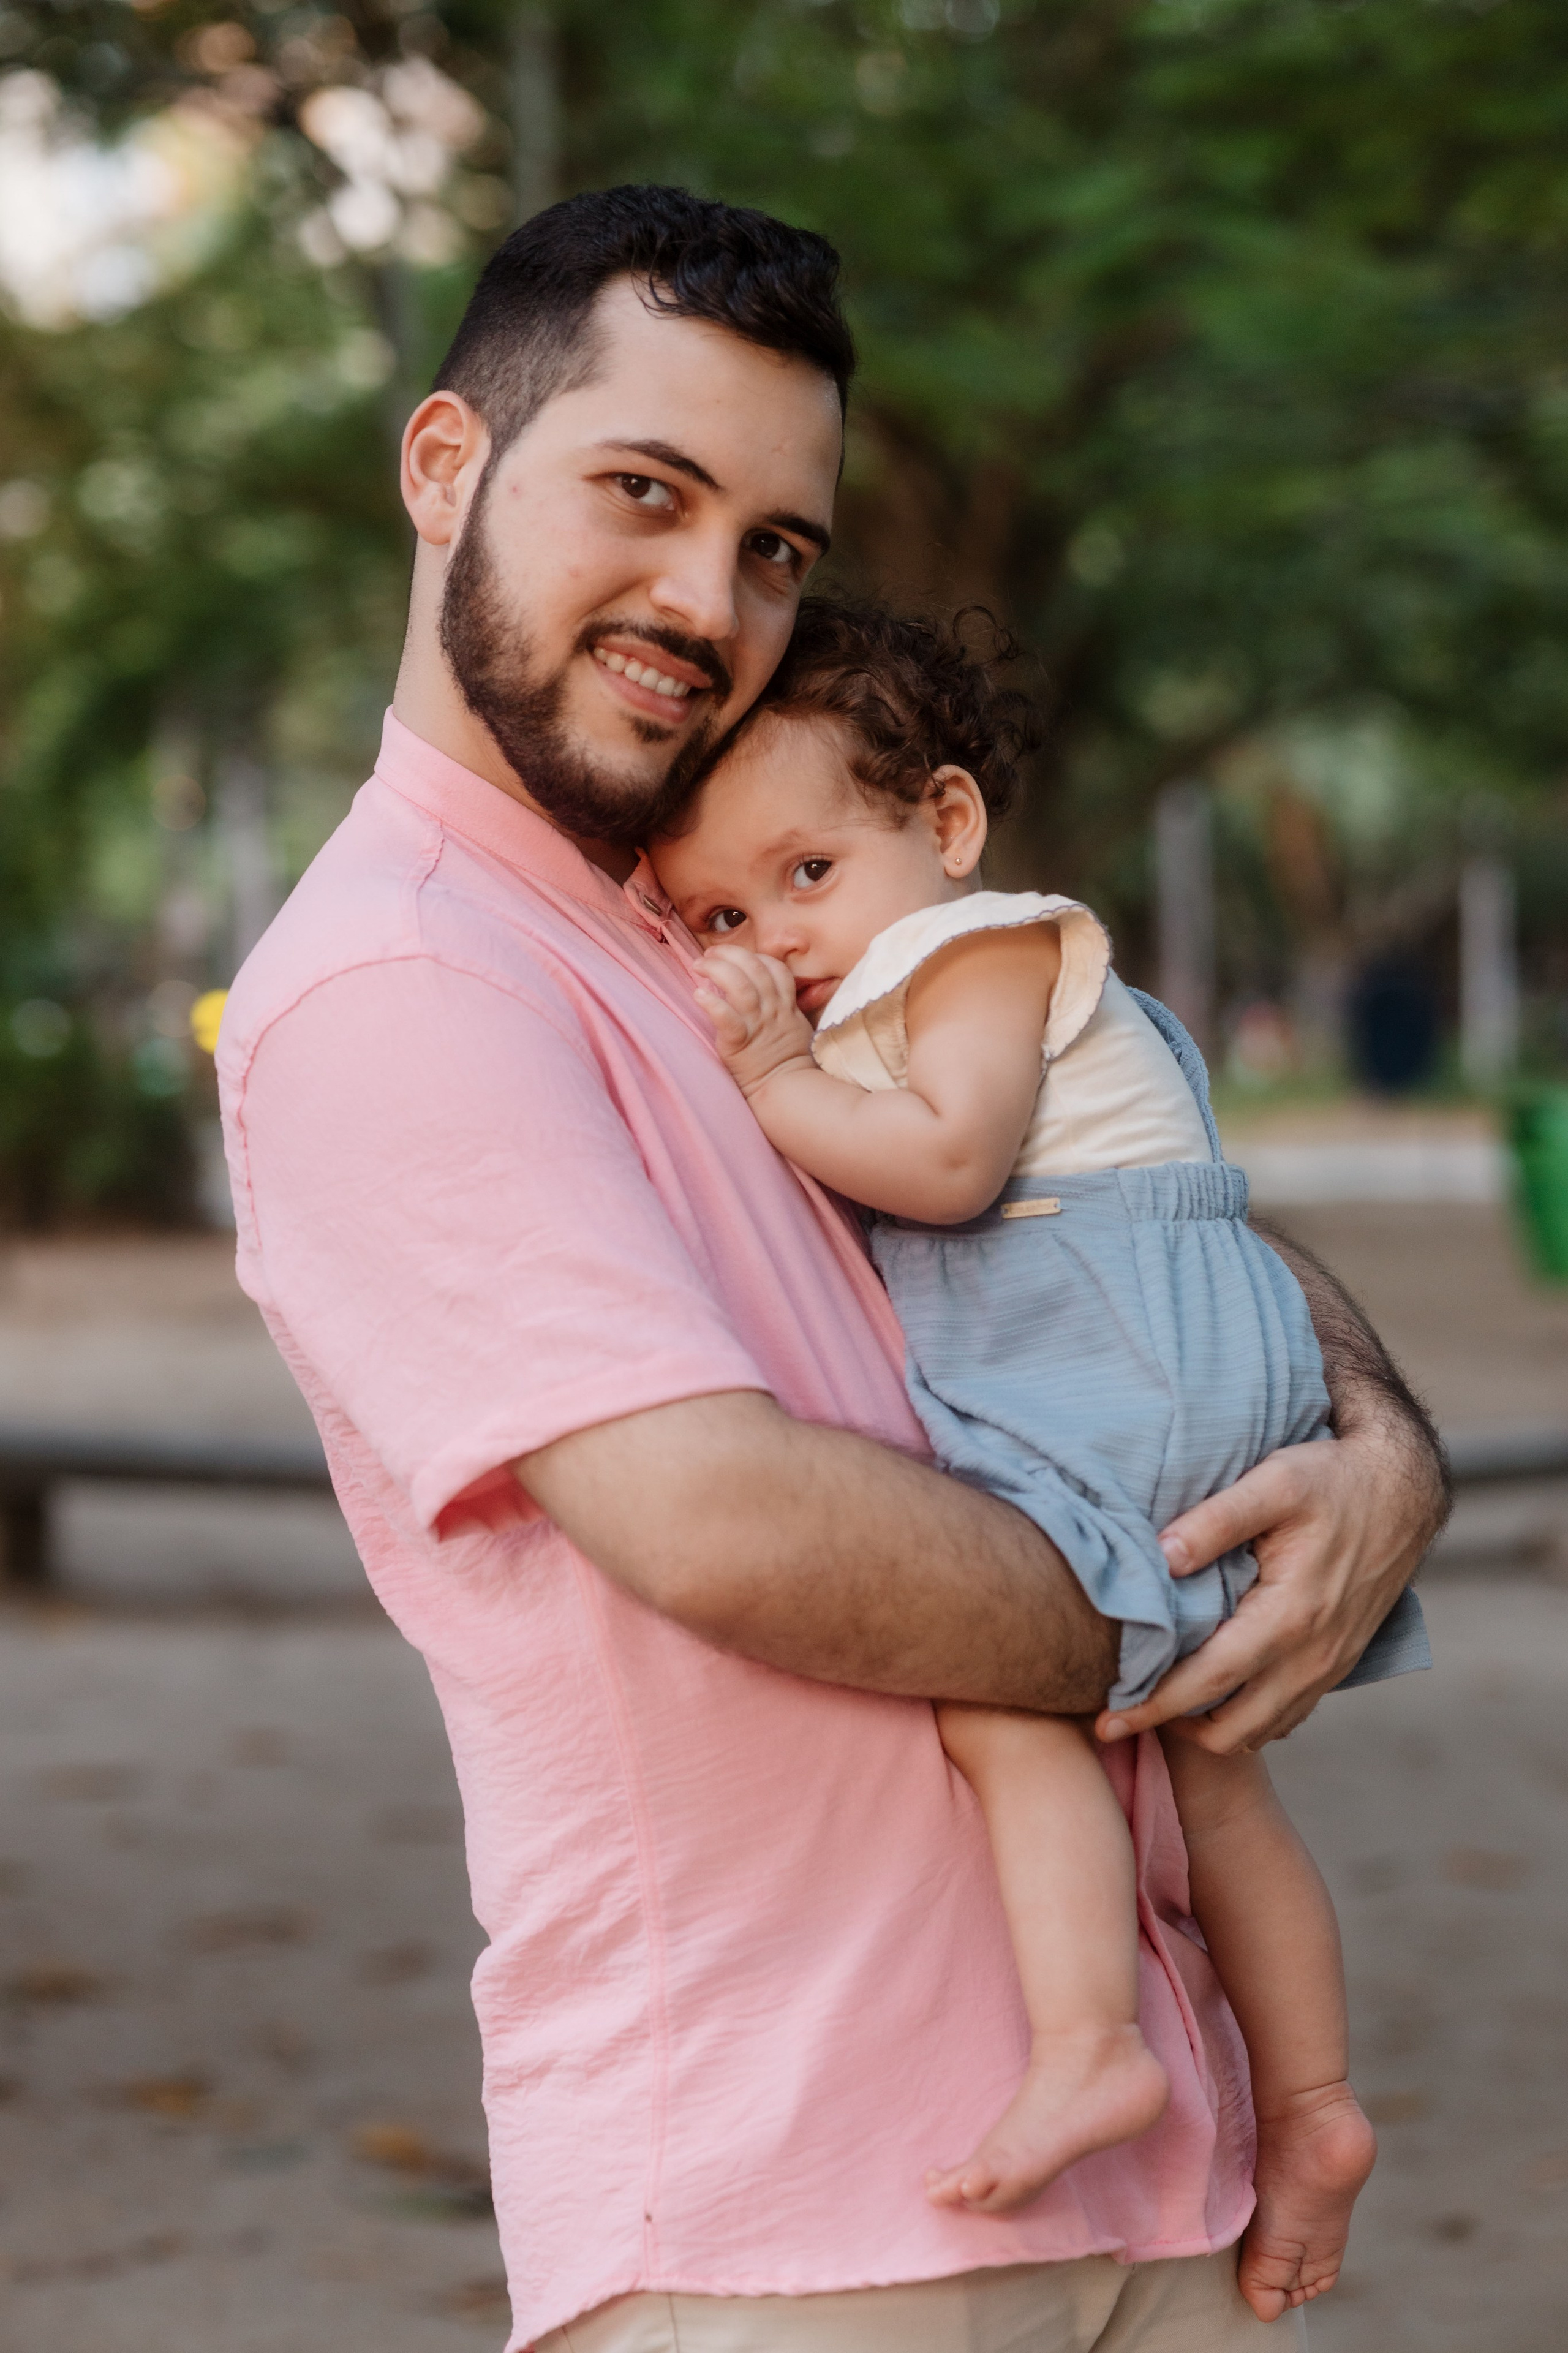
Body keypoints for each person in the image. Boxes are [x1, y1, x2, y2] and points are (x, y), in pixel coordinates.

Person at [216, 187, 1447, 2353]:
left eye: (775, 543)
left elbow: (1131, 1196)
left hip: (1158, 2155)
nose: (709, 598)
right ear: (441, 468)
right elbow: (722, 1521)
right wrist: (1193, 1594)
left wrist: (1374, 1446)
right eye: (644, 491)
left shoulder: (753, 903)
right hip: (795, 2218)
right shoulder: (403, 979)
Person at [649, 597, 1432, 2319]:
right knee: (1212, 1766)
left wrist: (770, 1069)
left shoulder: (978, 951)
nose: (773, 935)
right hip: (1139, 1332)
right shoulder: (895, 968)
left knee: (999, 1689)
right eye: (717, 908)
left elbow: (944, 1163)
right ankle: (1308, 2105)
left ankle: (1089, 2041)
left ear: (942, 823)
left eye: (805, 874)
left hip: (1116, 1329)